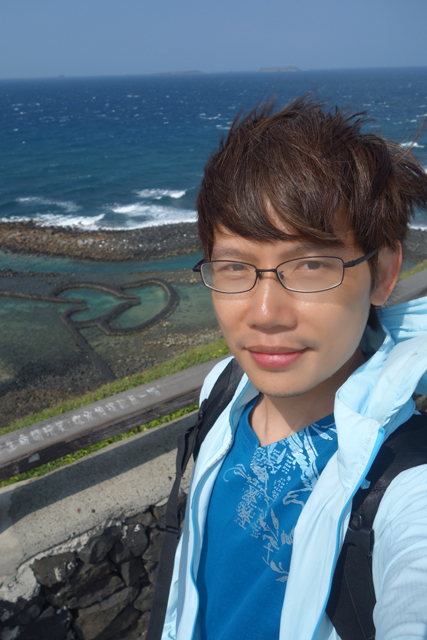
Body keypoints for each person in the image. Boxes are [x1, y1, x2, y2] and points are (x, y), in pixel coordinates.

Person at [161, 97, 427, 639]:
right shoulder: (224, 390)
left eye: (309, 265)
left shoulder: (405, 483)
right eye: (234, 266)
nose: (265, 314)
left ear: (383, 273)